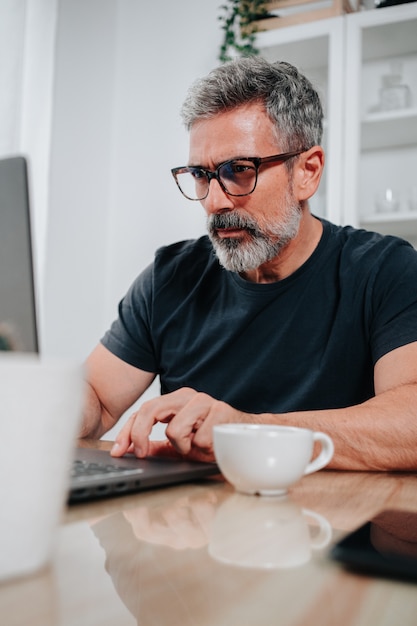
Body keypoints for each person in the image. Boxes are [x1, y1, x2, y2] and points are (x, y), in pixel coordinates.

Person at [81, 57, 417, 471]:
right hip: (194, 529)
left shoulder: (385, 271)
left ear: (307, 173)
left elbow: (412, 420)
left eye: (239, 170)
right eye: (201, 175)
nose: (214, 201)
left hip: (330, 530)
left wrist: (249, 434)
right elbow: (95, 396)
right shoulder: (170, 277)